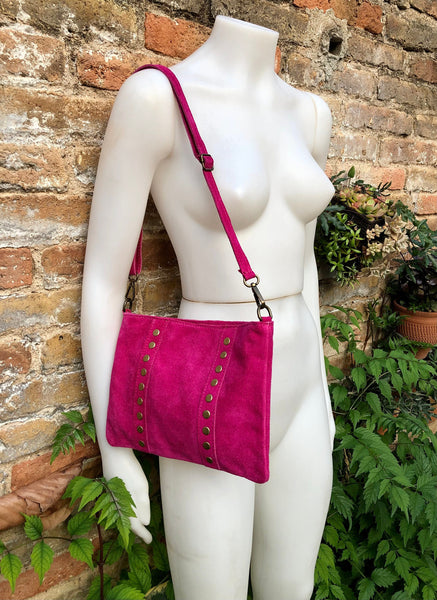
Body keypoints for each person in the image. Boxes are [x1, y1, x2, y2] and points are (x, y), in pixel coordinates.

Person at [81, 15, 336, 600]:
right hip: (213, 380)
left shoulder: (311, 114)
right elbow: (102, 282)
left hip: (300, 381)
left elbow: (303, 261)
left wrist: (321, 393)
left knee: (292, 587)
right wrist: (115, 448)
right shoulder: (158, 99)